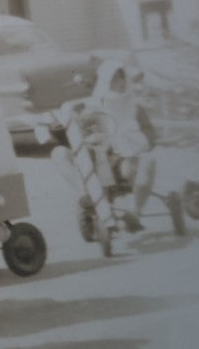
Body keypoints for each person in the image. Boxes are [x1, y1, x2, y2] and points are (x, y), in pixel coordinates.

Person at [50, 61, 159, 229]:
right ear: (105, 82)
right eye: (114, 80)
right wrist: (68, 120)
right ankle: (86, 195)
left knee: (148, 160)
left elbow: (150, 137)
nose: (120, 83)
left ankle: (135, 213)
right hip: (94, 163)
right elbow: (71, 135)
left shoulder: (136, 108)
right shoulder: (92, 107)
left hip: (123, 162)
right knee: (59, 153)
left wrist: (133, 142)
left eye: (122, 79)